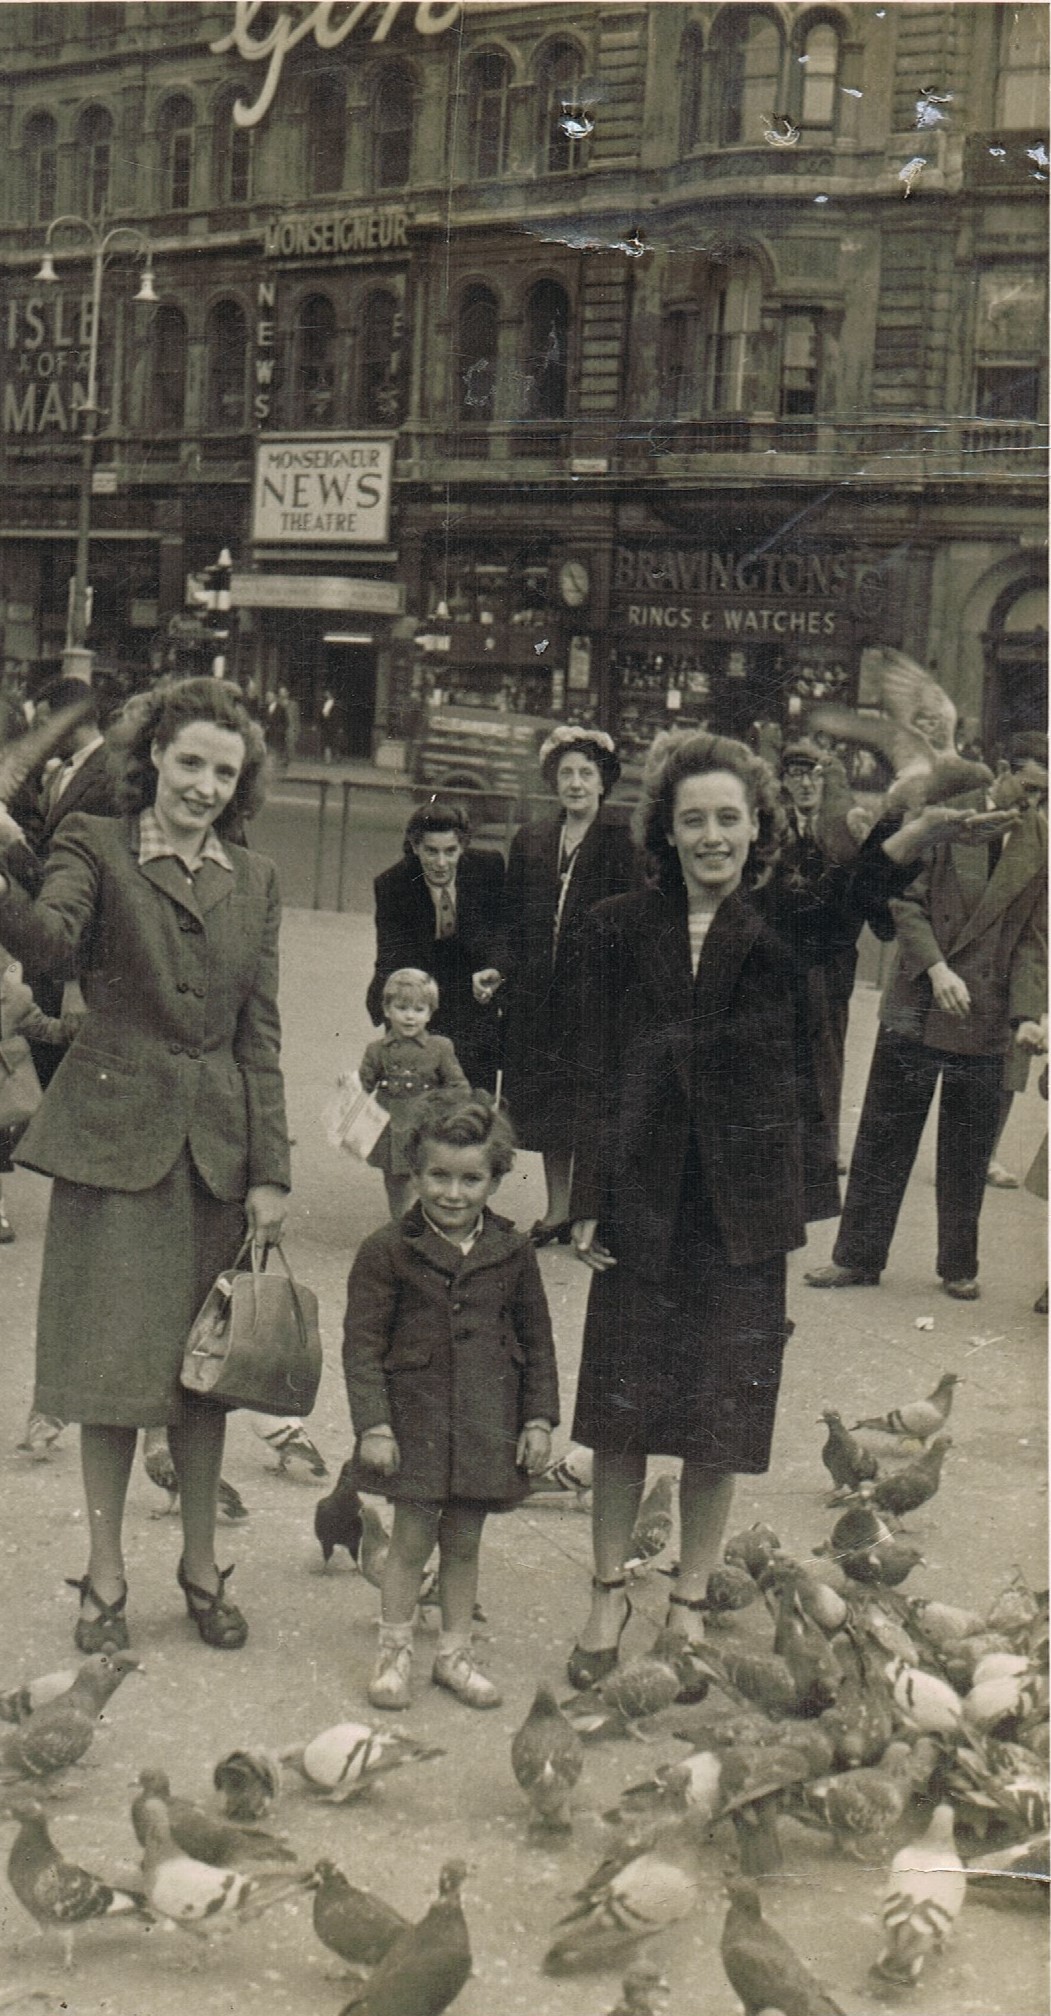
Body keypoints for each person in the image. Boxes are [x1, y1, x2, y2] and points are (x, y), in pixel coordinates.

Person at [563, 728, 976, 1687]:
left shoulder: (785, 925)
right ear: (664, 832)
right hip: (640, 1204)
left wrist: (912, 828)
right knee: (618, 1420)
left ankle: (689, 1601)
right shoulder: (617, 925)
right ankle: (604, 1591)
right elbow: (587, 1067)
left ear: (756, 828)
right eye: (692, 819)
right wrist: (583, 1197)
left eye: (728, 819)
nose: (712, 836)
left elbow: (850, 896)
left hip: (740, 1214)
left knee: (718, 1418)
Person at [0, 676, 290, 1653]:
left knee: (205, 1375)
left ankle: (201, 1565)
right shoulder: (95, 847)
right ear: (152, 760)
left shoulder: (257, 880)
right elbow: (47, 941)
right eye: (190, 762)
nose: (205, 785)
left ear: (241, 783)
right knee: (111, 1376)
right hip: (116, 1148)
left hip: (214, 1155)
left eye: (225, 770)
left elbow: (260, 1039)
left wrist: (272, 1175)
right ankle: (107, 1576)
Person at [807, 739, 1047, 1301]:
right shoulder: (947, 814)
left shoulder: (1042, 839)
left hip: (985, 1013)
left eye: (1045, 795)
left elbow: (1034, 940)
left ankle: (958, 1265)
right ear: (1004, 770)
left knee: (967, 1149)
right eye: (1029, 788)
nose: (1034, 803)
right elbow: (904, 902)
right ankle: (856, 1258)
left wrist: (1027, 1015)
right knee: (885, 1138)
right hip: (919, 999)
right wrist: (938, 970)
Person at [342, 1089, 558, 1711]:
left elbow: (537, 1338)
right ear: (415, 1173)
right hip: (416, 1424)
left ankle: (454, 1654)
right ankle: (394, 1652)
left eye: (472, 1179)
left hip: (487, 1424)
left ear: (495, 1179)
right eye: (439, 1176)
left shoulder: (513, 1251)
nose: (453, 1194)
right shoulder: (386, 1249)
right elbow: (361, 1347)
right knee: (410, 1543)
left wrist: (538, 1417)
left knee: (465, 1543)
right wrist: (374, 1425)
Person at [496, 725, 639, 1242]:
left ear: (604, 782)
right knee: (552, 1109)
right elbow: (511, 919)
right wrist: (504, 970)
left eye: (586, 773)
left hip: (600, 999)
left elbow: (636, 926)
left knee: (595, 1106)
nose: (575, 783)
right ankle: (557, 1211)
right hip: (540, 999)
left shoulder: (624, 844)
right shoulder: (532, 838)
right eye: (565, 774)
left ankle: (590, 1213)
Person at [366, 800, 504, 1089]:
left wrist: (494, 969)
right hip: (424, 991)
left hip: (473, 994)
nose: (441, 863)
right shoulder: (393, 885)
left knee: (472, 1100)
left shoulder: (488, 869)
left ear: (463, 846)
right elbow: (391, 956)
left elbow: (503, 933)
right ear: (415, 847)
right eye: (431, 851)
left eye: (450, 851)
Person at [776, 738, 862, 1178]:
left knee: (827, 1051)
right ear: (785, 782)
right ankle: (784, 1142)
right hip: (784, 955)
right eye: (796, 775)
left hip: (830, 958)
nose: (806, 783)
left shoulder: (844, 826)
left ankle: (826, 1147)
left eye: (814, 774)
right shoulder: (775, 827)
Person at [357, 967, 469, 1219]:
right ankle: (401, 1225)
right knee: (394, 1180)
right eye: (402, 1008)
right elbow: (364, 1085)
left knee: (425, 1177)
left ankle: (425, 1224)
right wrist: (349, 1085)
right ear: (387, 1010)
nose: (410, 1017)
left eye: (419, 1010)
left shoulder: (440, 1048)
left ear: (430, 1013)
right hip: (390, 1127)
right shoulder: (377, 1050)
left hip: (424, 1126)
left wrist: (434, 1106)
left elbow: (460, 1088)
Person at [318, 686, 343, 762]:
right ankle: (327, 758)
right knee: (326, 742)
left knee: (334, 742)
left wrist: (340, 727)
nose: (326, 694)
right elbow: (321, 715)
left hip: (334, 725)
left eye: (327, 693)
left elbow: (339, 716)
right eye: (325, 693)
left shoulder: (337, 704)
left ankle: (337, 757)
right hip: (325, 725)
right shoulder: (323, 703)